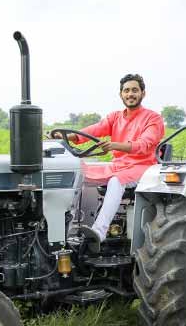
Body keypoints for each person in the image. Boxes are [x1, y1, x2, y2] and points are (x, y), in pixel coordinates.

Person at [55, 74, 165, 245]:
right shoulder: (115, 117)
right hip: (118, 165)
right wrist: (67, 137)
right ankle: (64, 230)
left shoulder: (153, 118)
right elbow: (94, 130)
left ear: (143, 93)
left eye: (135, 90)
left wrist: (115, 145)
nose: (130, 94)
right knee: (78, 174)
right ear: (121, 94)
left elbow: (144, 144)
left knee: (116, 181)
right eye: (126, 90)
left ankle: (99, 232)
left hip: (143, 166)